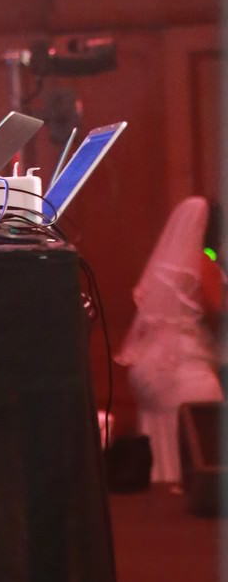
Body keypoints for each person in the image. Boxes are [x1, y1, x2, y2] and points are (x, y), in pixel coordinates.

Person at [118, 196, 225, 486]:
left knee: (162, 441)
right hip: (184, 371)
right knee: (207, 426)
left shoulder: (163, 267)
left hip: (148, 370)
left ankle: (163, 490)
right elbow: (217, 313)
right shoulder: (202, 263)